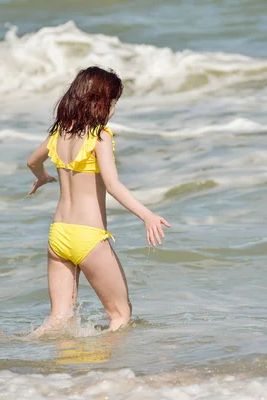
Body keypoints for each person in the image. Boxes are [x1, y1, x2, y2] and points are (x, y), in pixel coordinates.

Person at [26, 66, 170, 333]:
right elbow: (113, 186)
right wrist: (147, 215)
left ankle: (37, 357)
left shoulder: (59, 134)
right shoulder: (100, 136)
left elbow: (31, 161)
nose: (114, 109)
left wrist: (43, 176)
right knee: (120, 315)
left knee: (59, 319)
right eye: (113, 102)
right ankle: (111, 373)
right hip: (88, 237)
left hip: (58, 236)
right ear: (101, 102)